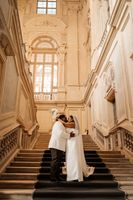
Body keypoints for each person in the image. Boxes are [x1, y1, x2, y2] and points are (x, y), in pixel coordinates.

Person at [63, 115, 95, 182]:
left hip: (73, 143)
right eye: (68, 118)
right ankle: (73, 175)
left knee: (73, 158)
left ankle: (75, 175)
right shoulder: (70, 124)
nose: (68, 119)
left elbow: (70, 131)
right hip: (70, 143)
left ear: (73, 119)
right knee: (71, 158)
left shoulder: (71, 124)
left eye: (69, 118)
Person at [48, 114, 75, 182]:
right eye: (64, 117)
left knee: (58, 162)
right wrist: (69, 135)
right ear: (61, 118)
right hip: (55, 145)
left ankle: (57, 176)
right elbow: (60, 133)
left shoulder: (61, 124)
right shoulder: (58, 123)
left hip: (59, 146)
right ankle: (53, 177)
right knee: (55, 161)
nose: (66, 118)